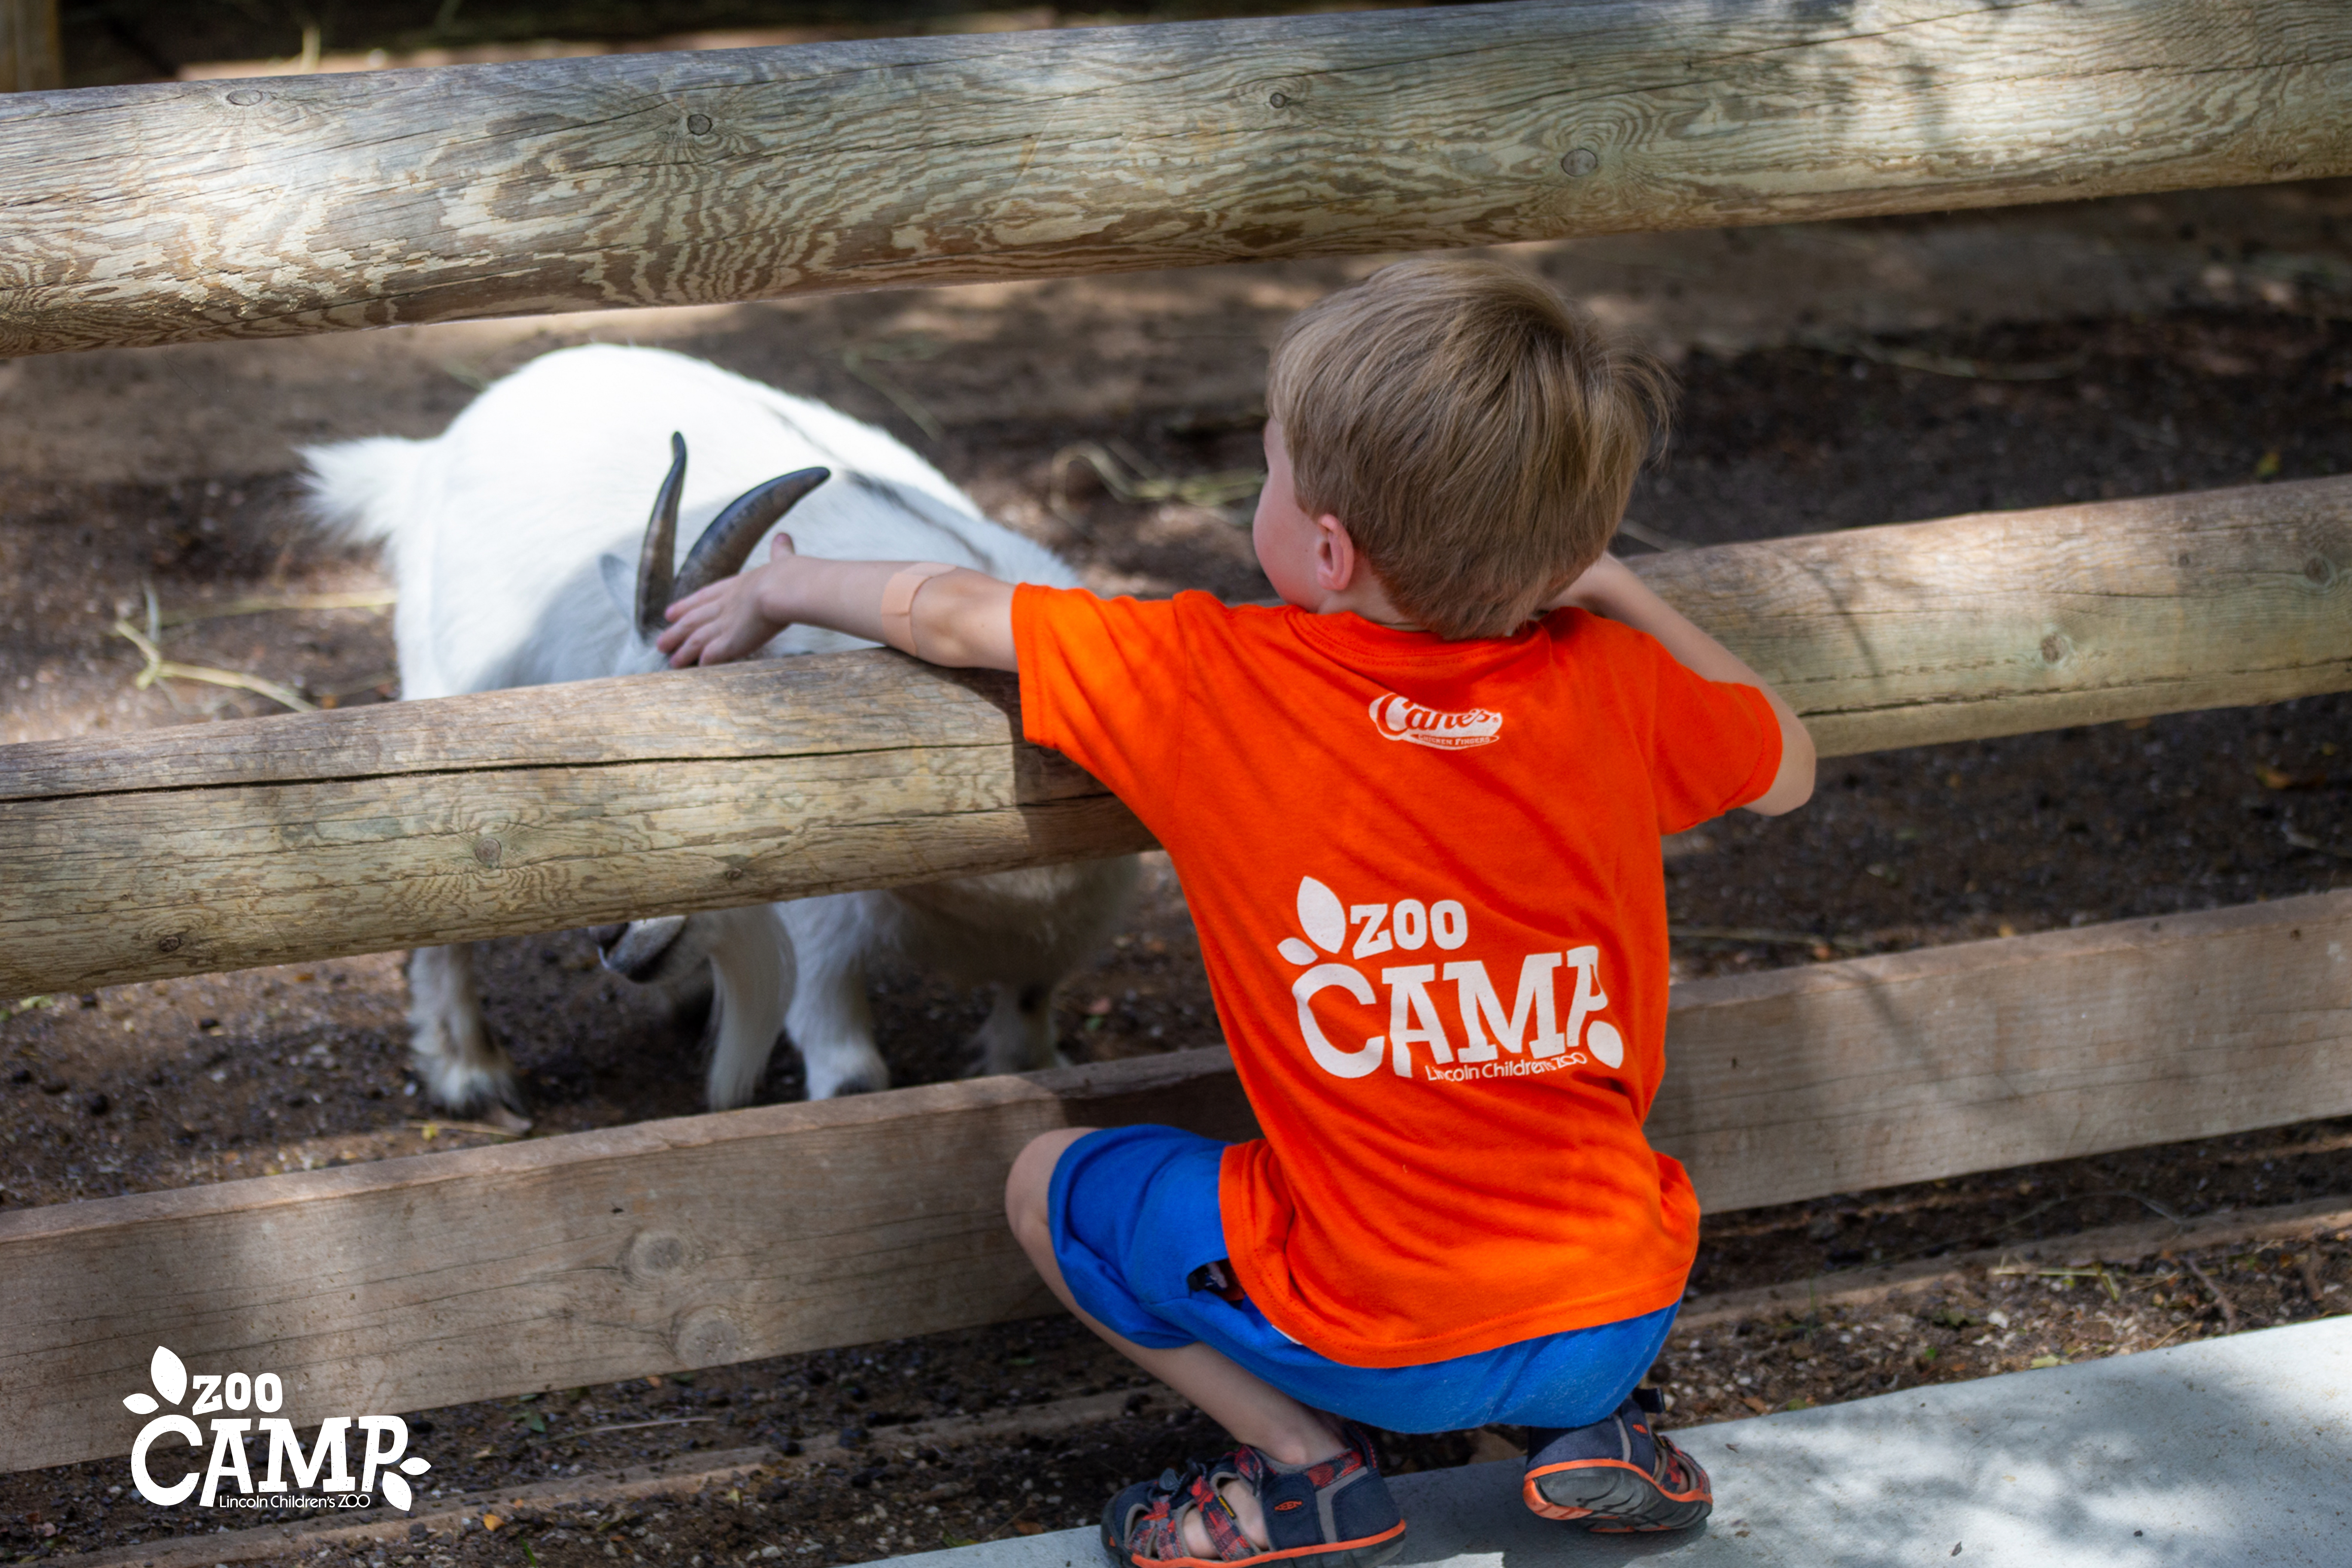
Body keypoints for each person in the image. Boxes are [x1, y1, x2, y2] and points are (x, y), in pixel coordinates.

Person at [657, 258, 1816, 1566]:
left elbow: (952, 611)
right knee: (1548, 1257)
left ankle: (1304, 1471)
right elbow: (1784, 761)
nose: (1256, 493)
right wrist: (1607, 587)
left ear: (1326, 548)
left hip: (1377, 1340)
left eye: (1269, 473)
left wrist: (780, 589)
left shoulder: (1211, 677)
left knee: (1054, 1184)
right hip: (1619, 1306)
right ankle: (1595, 1435)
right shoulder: (1614, 685)